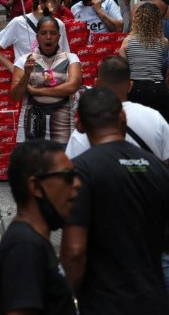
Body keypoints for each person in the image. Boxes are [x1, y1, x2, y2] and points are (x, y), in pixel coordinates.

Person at [61, 87, 169, 314]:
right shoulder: (158, 168)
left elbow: (74, 251)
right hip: (154, 299)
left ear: (79, 125)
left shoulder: (80, 172)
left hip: (104, 301)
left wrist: (64, 301)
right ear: (122, 118)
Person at [0, 140, 79, 314]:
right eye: (67, 177)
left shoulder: (34, 241)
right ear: (36, 187)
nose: (77, 184)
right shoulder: (25, 246)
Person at [66, 56, 169, 160]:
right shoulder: (155, 118)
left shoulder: (87, 127)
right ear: (130, 86)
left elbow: (73, 167)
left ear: (96, 84)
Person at [10, 16, 82, 144]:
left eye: (53, 33)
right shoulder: (24, 60)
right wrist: (26, 75)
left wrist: (37, 91)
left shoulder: (71, 58)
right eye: (43, 33)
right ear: (37, 37)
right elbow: (15, 95)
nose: (48, 37)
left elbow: (72, 86)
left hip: (63, 129)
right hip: (31, 128)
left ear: (59, 36)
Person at [0, 0, 71, 70]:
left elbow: (65, 53)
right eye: (54, 0)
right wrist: (12, 68)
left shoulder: (59, 24)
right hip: (26, 79)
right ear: (41, 2)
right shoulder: (18, 22)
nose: (58, 3)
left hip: (54, 79)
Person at [119, 2, 169, 120]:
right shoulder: (164, 42)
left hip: (135, 88)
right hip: (158, 87)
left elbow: (122, 67)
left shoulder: (127, 42)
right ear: (158, 21)